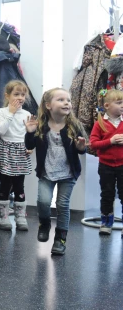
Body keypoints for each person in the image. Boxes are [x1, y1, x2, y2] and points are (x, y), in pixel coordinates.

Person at [25, 88, 87, 256]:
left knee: (62, 205)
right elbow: (30, 146)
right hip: (47, 172)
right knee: (43, 201)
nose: (66, 102)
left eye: (68, 100)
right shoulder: (41, 126)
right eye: (60, 100)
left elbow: (81, 149)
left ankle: (60, 239)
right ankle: (44, 224)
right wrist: (30, 133)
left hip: (68, 173)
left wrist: (81, 147)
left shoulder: (74, 126)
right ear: (48, 105)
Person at [0, 80, 32, 231]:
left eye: (23, 94)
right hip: (6, 149)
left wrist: (30, 146)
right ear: (7, 95)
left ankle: (20, 216)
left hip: (21, 150)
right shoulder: (2, 111)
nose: (20, 97)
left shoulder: (27, 114)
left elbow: (28, 134)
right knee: (4, 184)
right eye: (16, 94)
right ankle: (3, 216)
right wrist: (11, 113)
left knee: (19, 185)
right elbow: (2, 131)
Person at [90, 89, 123, 236]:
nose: (122, 105)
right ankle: (106, 222)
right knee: (107, 194)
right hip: (106, 165)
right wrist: (110, 141)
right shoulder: (100, 124)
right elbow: (94, 144)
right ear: (108, 106)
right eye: (119, 103)